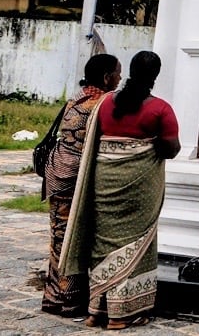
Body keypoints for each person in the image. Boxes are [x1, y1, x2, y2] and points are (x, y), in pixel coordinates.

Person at [61, 50, 180, 330]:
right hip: (138, 189)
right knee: (136, 242)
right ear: (156, 75)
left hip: (104, 181)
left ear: (129, 71)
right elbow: (171, 149)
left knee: (104, 242)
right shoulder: (160, 109)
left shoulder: (105, 105)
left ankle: (95, 311)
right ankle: (121, 314)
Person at [41, 54, 121, 318]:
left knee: (59, 237)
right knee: (71, 241)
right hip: (72, 178)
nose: (120, 79)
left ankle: (53, 298)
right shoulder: (102, 103)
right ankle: (70, 302)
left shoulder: (78, 97)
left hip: (57, 174)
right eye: (117, 74)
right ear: (108, 77)